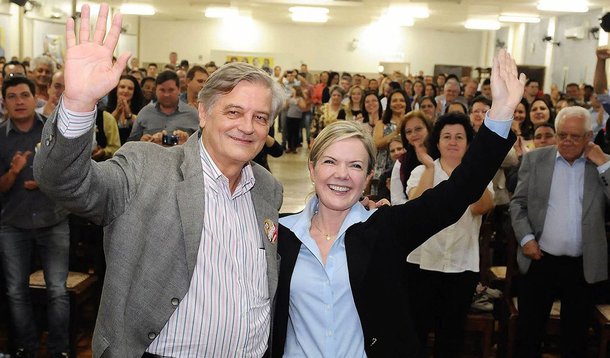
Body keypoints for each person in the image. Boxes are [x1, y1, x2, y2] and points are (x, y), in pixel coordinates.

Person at [33, 4, 285, 357]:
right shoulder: (145, 167)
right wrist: (77, 104)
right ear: (202, 111)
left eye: (260, 117)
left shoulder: (267, 188)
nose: (247, 127)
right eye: (233, 111)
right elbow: (64, 183)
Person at [271, 49, 526, 357]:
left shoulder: (385, 229)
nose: (342, 174)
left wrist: (500, 111)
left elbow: (458, 191)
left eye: (355, 165)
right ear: (311, 169)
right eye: (329, 162)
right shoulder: (280, 235)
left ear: (367, 177)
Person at [510, 106, 610, 358]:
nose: (566, 141)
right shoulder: (535, 159)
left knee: (574, 339)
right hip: (539, 259)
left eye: (575, 137)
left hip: (582, 265)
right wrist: (526, 238)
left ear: (589, 137)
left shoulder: (600, 165)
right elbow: (518, 203)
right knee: (528, 334)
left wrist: (602, 164)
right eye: (561, 134)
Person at [406, 112, 494, 357]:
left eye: (459, 137)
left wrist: (471, 172)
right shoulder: (421, 171)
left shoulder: (478, 175)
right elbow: (415, 207)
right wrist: (430, 168)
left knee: (451, 336)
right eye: (446, 136)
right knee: (417, 332)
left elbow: (480, 207)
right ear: (437, 142)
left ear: (468, 143)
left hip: (461, 265)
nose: (453, 142)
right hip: (422, 263)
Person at [0, 75, 71, 357]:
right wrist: (14, 171)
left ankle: (58, 350)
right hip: (12, 224)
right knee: (16, 292)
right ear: (4, 103)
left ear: (35, 98)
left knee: (57, 291)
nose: (19, 101)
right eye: (12, 97)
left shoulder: (52, 131)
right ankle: (26, 349)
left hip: (53, 219)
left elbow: (69, 173)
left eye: (24, 95)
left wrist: (46, 181)